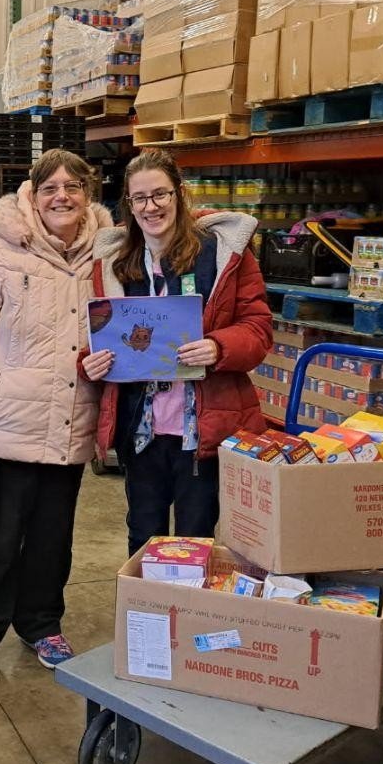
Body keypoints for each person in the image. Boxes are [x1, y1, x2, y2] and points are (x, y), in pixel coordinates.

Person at [0, 149, 112, 685]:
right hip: (3, 428)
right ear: (32, 197)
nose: (62, 196)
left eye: (73, 186)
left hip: (69, 422)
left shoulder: (105, 258)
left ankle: (41, 623)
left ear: (89, 194)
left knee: (52, 536)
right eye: (49, 188)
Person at [84, 148, 273, 555]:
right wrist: (89, 361)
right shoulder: (114, 263)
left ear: (179, 194)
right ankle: (147, 616)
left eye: (160, 195)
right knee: (143, 536)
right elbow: (94, 336)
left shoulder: (223, 256)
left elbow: (258, 332)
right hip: (142, 429)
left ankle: (189, 617)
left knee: (196, 539)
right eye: (140, 198)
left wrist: (218, 346)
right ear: (129, 205)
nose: (151, 207)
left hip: (202, 429)